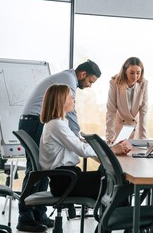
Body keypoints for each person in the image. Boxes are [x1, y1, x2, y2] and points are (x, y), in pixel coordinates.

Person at [17, 59, 102, 232]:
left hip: (33, 121)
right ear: (83, 74)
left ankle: (39, 214)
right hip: (33, 123)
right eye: (90, 81)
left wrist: (75, 138)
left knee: (41, 169)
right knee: (35, 170)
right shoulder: (68, 81)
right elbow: (71, 113)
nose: (89, 86)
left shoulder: (66, 79)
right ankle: (25, 216)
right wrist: (77, 137)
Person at [39, 84, 132, 200]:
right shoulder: (56, 125)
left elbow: (76, 145)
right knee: (117, 181)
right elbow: (82, 150)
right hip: (65, 182)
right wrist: (111, 150)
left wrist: (104, 148)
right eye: (71, 97)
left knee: (111, 176)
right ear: (61, 101)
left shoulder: (56, 123)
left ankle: (114, 216)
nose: (74, 100)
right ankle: (120, 216)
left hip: (67, 178)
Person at [106, 57, 148, 145]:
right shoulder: (114, 83)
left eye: (138, 73)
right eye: (132, 73)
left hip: (134, 129)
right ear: (125, 71)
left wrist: (143, 138)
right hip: (119, 128)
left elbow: (143, 112)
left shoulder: (143, 84)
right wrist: (110, 136)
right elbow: (111, 111)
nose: (135, 76)